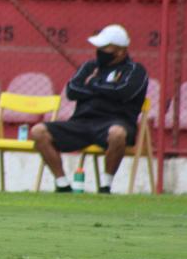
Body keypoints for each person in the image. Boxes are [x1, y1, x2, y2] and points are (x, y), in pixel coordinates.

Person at [31, 25, 148, 194]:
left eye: (105, 48)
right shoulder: (89, 66)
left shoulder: (136, 71)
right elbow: (72, 91)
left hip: (116, 122)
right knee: (38, 131)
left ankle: (105, 186)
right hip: (82, 122)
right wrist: (105, 88)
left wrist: (93, 84)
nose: (99, 51)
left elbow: (123, 92)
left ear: (121, 52)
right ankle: (62, 184)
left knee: (117, 133)